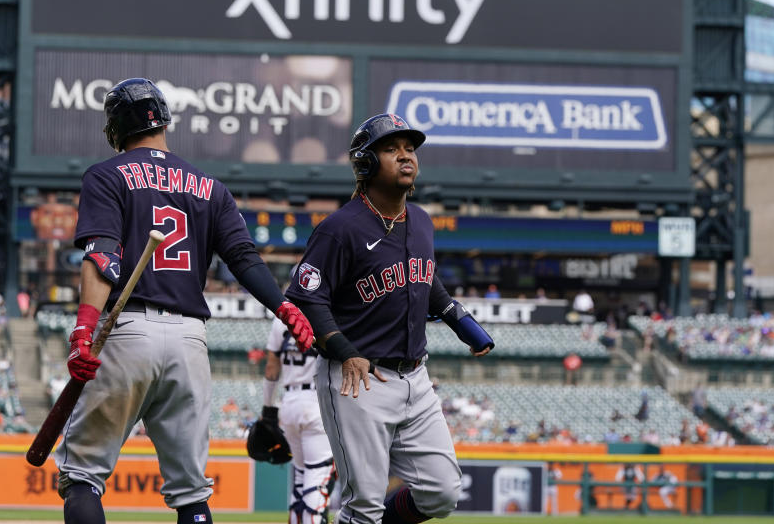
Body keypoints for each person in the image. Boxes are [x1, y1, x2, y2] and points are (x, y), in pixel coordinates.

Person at [56, 79, 313, 524]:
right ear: (163, 119)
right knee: (192, 494)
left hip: (127, 329)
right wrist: (285, 307)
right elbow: (244, 259)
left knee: (82, 478)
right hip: (190, 341)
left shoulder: (106, 174)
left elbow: (102, 255)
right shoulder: (210, 187)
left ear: (116, 126)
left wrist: (83, 329)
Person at [285, 113, 495, 524]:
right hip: (357, 379)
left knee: (442, 492)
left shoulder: (421, 221)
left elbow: (425, 280)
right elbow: (306, 299)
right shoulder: (338, 228)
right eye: (391, 148)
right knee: (362, 505)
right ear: (365, 162)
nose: (405, 156)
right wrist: (345, 351)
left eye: (410, 148)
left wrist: (462, 323)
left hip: (415, 377)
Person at [261, 313, 335, 524]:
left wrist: (268, 410)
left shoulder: (280, 319)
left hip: (290, 402)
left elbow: (271, 367)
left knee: (301, 479)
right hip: (316, 400)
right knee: (316, 479)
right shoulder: (325, 311)